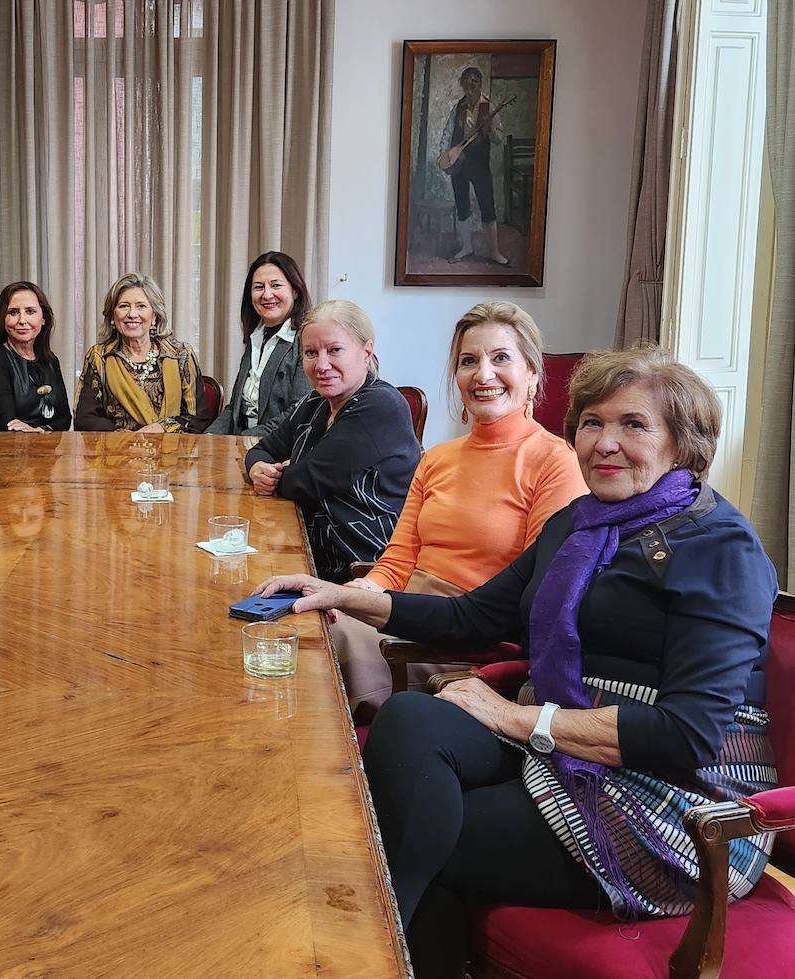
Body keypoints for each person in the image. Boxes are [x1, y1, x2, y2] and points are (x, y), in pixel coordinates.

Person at [257, 346, 778, 978]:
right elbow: (472, 618)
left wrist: (512, 718)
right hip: (560, 745)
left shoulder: (720, 547)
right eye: (591, 423)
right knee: (411, 724)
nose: (605, 443)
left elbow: (687, 736)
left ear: (682, 444)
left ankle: (342, 956)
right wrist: (346, 595)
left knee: (410, 831)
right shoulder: (577, 525)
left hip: (674, 808)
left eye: (634, 425)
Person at [336, 302, 587, 720]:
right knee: (305, 623)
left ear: (533, 374)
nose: (483, 374)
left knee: (310, 651)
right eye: (469, 361)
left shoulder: (554, 462)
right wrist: (362, 594)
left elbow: (533, 599)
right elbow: (397, 561)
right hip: (401, 608)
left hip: (462, 638)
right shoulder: (436, 457)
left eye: (501, 358)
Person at [244, 300, 420, 581]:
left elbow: (308, 481)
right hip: (307, 548)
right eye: (311, 353)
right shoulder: (315, 401)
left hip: (361, 568)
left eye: (334, 350)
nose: (322, 365)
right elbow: (264, 448)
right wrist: (258, 468)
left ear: (366, 352)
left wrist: (282, 473)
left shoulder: (381, 405)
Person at [73, 273, 207, 433]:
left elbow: (198, 418)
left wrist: (160, 428)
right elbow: (85, 419)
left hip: (173, 452)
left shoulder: (181, 355)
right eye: (123, 306)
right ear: (112, 316)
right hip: (117, 453)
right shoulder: (99, 357)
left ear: (154, 315)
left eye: (141, 306)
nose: (132, 314)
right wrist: (131, 441)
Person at [207, 251, 313, 436]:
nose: (267, 294)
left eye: (276, 285)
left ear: (295, 290)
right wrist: (207, 439)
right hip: (241, 444)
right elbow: (234, 409)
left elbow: (298, 413)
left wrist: (241, 442)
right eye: (258, 287)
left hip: (278, 448)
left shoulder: (307, 340)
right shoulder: (255, 338)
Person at [0, 281, 71, 432]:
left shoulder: (51, 361)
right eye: (13, 312)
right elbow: (6, 422)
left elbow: (64, 418)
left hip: (41, 447)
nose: (22, 320)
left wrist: (41, 431)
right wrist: (38, 433)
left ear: (43, 318)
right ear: (3, 319)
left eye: (30, 311)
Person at [442, 66, 509, 266]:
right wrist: (445, 155)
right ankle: (467, 247)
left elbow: (499, 139)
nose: (469, 93)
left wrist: (490, 131)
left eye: (472, 88)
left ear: (479, 85)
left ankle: (494, 252)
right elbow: (448, 132)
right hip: (459, 162)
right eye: (466, 89)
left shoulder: (489, 107)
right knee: (462, 204)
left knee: (487, 205)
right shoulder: (459, 107)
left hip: (479, 163)